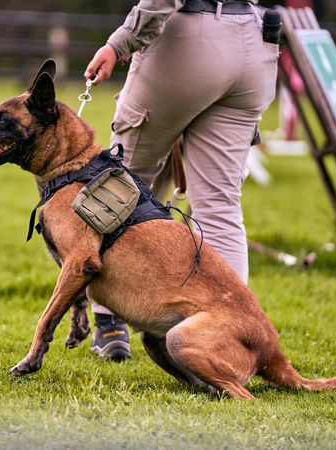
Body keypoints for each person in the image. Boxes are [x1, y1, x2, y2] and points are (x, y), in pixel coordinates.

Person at [83, 0, 279, 360]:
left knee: (120, 183)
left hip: (191, 38)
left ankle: (109, 324)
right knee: (220, 205)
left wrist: (119, 42)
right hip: (256, 42)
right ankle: (228, 340)